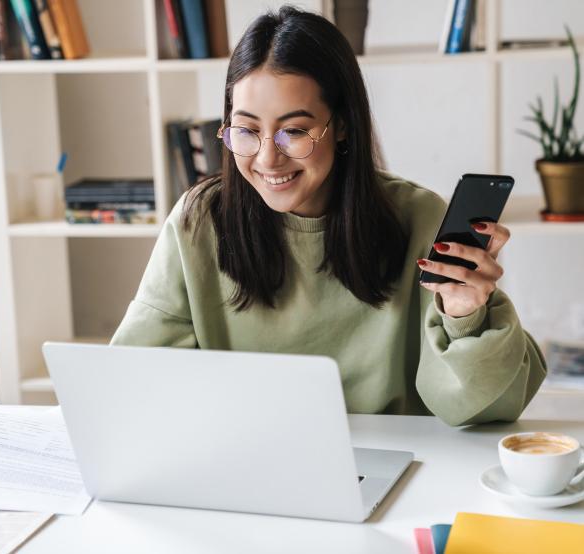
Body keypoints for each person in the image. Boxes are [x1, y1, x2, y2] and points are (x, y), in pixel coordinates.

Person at [111, 5, 546, 426]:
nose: (267, 159)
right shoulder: (197, 222)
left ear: (341, 125)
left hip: (398, 468)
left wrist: (465, 316)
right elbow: (132, 385)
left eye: (294, 131)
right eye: (246, 130)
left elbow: (491, 411)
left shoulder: (420, 219)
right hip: (243, 462)